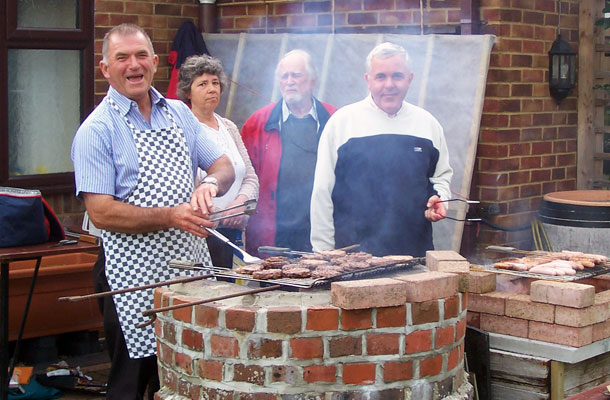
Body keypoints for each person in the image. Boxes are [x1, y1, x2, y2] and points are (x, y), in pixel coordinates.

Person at [71, 24, 234, 400]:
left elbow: (224, 165)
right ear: (105, 68)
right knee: (130, 384)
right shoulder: (96, 131)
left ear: (155, 62)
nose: (134, 65)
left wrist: (210, 184)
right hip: (130, 278)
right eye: (122, 58)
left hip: (188, 273)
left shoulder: (179, 113)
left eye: (141, 55)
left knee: (184, 376)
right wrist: (170, 215)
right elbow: (101, 213)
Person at [310, 42, 452, 257]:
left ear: (409, 79)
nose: (389, 84)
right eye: (380, 77)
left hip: (414, 253)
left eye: (397, 76)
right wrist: (322, 250)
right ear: (368, 80)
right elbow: (322, 191)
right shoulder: (342, 123)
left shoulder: (427, 124)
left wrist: (439, 199)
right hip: (353, 256)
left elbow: (440, 178)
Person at [241, 49, 337, 255]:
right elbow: (246, 179)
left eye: (296, 75)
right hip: (273, 234)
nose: (290, 81)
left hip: (322, 231)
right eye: (284, 76)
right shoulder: (257, 123)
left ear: (313, 80)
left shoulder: (334, 119)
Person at [177, 54, 259, 268]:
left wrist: (240, 204)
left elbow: (250, 177)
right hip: (203, 236)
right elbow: (183, 188)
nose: (212, 89)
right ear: (188, 91)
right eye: (202, 84)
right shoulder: (182, 131)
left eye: (215, 83)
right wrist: (223, 215)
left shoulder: (229, 127)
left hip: (236, 232)